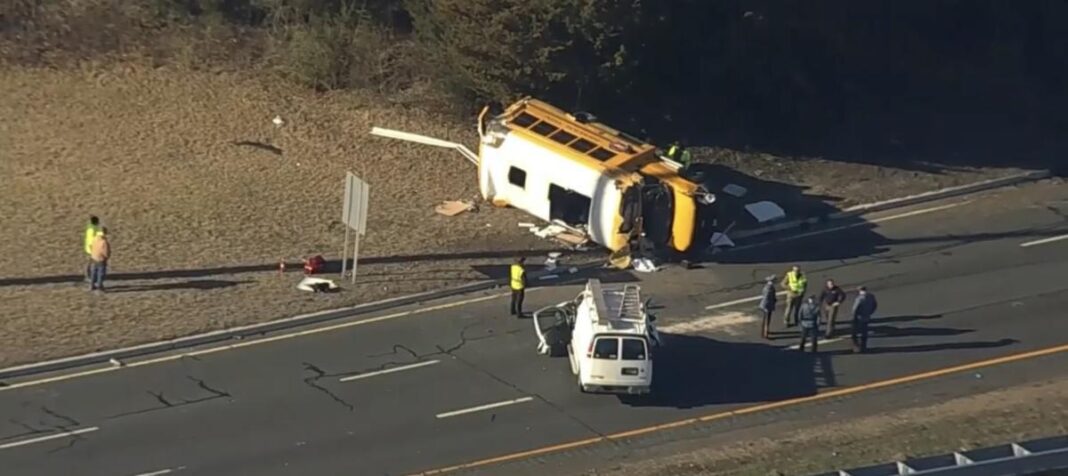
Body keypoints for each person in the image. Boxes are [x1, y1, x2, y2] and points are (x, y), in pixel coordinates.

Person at [851, 286, 878, 353]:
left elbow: (854, 309)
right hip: (867, 316)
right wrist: (870, 312)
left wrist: (854, 316)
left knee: (854, 333)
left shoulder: (859, 298)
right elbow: (875, 305)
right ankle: (864, 347)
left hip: (859, 317)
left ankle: (856, 347)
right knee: (864, 333)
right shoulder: (871, 296)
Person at [89, 227, 111, 292]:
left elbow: (91, 246)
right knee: (101, 273)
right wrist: (106, 257)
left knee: (93, 272)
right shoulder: (104, 242)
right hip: (101, 259)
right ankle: (100, 286)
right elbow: (106, 252)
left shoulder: (95, 238)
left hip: (93, 257)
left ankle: (91, 285)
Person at [83, 215, 102, 281]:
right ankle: (88, 276)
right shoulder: (92, 229)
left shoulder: (92, 227)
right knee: (91, 263)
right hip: (91, 249)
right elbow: (92, 240)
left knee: (90, 263)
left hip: (90, 248)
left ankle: (90, 276)